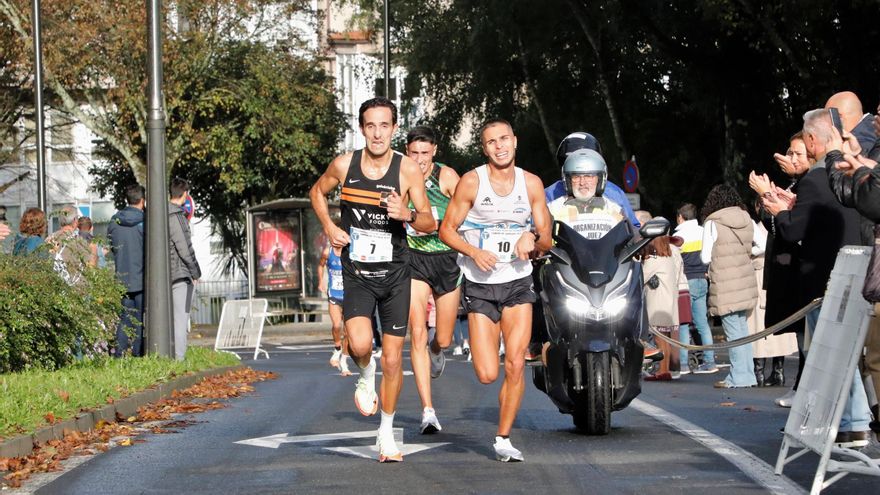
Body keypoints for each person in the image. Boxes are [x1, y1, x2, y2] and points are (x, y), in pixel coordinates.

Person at [309, 97, 436, 462]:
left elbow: (429, 221)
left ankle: (385, 433)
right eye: (370, 125)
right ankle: (366, 373)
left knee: (395, 360)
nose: (377, 133)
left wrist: (407, 213)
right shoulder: (345, 164)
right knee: (362, 345)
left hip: (396, 274)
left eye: (384, 125)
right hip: (358, 274)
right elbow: (317, 192)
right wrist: (331, 226)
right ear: (362, 128)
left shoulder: (408, 170)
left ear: (394, 129)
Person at [439, 118, 551, 462]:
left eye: (504, 139)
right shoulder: (472, 182)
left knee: (515, 364)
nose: (499, 146)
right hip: (481, 285)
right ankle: (503, 412)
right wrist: (474, 252)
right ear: (484, 148)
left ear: (515, 141)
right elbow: (447, 230)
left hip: (517, 283)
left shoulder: (531, 183)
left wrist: (530, 238)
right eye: (491, 142)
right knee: (488, 373)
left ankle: (503, 438)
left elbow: (546, 238)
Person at [763, 108, 869, 447]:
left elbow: (795, 231)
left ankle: (850, 420)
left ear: (811, 140)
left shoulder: (814, 178)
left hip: (823, 281)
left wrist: (779, 211)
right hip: (852, 270)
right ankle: (856, 420)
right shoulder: (847, 173)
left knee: (829, 355)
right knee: (846, 353)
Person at [402, 125, 462, 435]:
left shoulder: (447, 177)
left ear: (434, 152)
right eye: (415, 153)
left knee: (444, 338)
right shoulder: (401, 177)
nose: (421, 160)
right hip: (413, 260)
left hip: (447, 259)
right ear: (407, 151)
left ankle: (438, 352)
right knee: (417, 332)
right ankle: (428, 411)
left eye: (426, 153)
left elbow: (470, 205)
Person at [700, 184, 758, 389]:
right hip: (745, 279)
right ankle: (748, 374)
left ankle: (738, 376)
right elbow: (761, 245)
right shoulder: (747, 218)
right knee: (743, 330)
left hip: (725, 281)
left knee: (732, 331)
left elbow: (705, 255)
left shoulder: (713, 223)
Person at [544, 131, 640, 228]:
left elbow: (632, 228)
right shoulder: (550, 195)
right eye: (576, 175)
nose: (582, 182)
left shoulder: (614, 193)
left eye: (589, 175)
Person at [674, 203, 719, 374]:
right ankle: (709, 362)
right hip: (702, 280)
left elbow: (676, 262)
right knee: (702, 324)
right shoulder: (703, 232)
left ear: (680, 217)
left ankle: (684, 364)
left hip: (685, 284)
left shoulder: (678, 236)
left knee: (684, 324)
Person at [641, 230, 688, 381]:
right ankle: (665, 369)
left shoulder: (654, 260)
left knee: (659, 339)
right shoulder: (668, 258)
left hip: (658, 303)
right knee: (666, 339)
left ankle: (662, 370)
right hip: (670, 301)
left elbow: (641, 277)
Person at [108, 185, 146, 357]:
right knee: (140, 320)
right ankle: (138, 356)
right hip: (142, 277)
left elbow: (112, 246)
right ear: (142, 200)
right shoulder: (146, 221)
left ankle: (119, 355)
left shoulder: (114, 221)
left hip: (122, 277)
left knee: (125, 319)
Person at [168, 177, 202, 361]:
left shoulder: (157, 215)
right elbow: (185, 248)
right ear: (185, 194)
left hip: (163, 276)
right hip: (180, 275)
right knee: (181, 319)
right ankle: (179, 360)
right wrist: (195, 272)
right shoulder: (177, 216)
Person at [318, 240, 351, 376]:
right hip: (334, 295)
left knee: (348, 332)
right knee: (337, 326)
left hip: (349, 296)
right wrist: (321, 281)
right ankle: (337, 348)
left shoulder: (350, 252)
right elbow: (320, 266)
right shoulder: (327, 252)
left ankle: (344, 361)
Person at [46, 206, 90, 286]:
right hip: (77, 289)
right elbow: (89, 265)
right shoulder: (79, 241)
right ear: (74, 220)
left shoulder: (49, 239)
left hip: (55, 289)